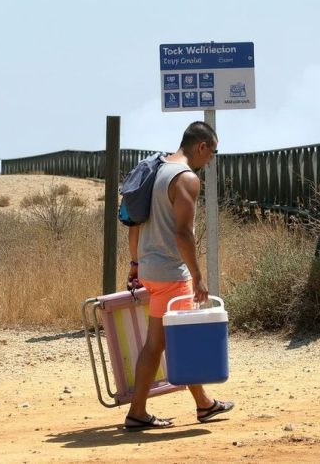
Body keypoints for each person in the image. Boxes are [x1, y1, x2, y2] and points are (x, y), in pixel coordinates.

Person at [124, 121, 235, 430]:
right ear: (201, 147)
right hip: (172, 273)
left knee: (160, 343)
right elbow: (183, 233)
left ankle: (199, 404)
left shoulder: (159, 169)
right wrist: (198, 277)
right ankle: (143, 412)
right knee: (175, 341)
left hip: (151, 269)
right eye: (213, 152)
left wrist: (135, 263)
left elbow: (134, 223)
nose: (211, 159)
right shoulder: (186, 179)